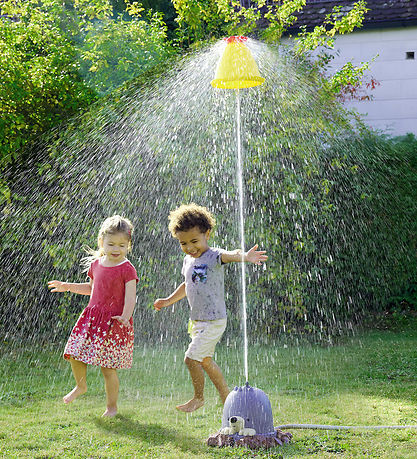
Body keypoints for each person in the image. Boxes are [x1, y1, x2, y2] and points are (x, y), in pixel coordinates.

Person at [154, 203, 267, 413]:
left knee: (191, 358)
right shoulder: (188, 260)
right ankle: (227, 399)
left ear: (207, 233)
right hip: (198, 321)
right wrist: (168, 300)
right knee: (205, 361)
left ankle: (198, 398)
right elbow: (187, 285)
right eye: (183, 243)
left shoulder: (213, 255)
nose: (190, 247)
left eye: (194, 241)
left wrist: (245, 257)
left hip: (214, 320)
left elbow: (229, 255)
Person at [48, 215, 138, 417]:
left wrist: (125, 316)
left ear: (129, 245)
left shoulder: (127, 269)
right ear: (102, 242)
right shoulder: (96, 265)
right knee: (73, 352)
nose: (116, 249)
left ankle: (111, 407)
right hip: (92, 318)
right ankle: (80, 386)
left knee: (108, 368)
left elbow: (131, 297)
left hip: (115, 322)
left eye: (122, 245)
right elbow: (91, 288)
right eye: (111, 244)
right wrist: (67, 286)